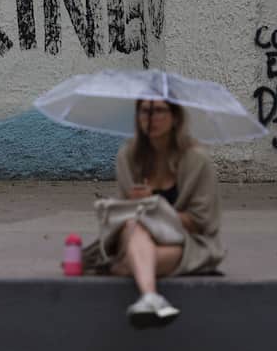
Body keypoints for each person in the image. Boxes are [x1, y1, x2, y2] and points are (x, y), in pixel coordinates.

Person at [82, 99, 225, 328]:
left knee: (141, 255)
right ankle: (150, 296)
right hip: (135, 235)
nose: (150, 118)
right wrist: (134, 205)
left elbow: (201, 222)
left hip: (184, 241)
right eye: (144, 111)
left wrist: (154, 208)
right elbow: (124, 217)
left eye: (159, 111)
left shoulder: (197, 160)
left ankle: (129, 271)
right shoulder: (129, 155)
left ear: (175, 117)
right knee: (133, 225)